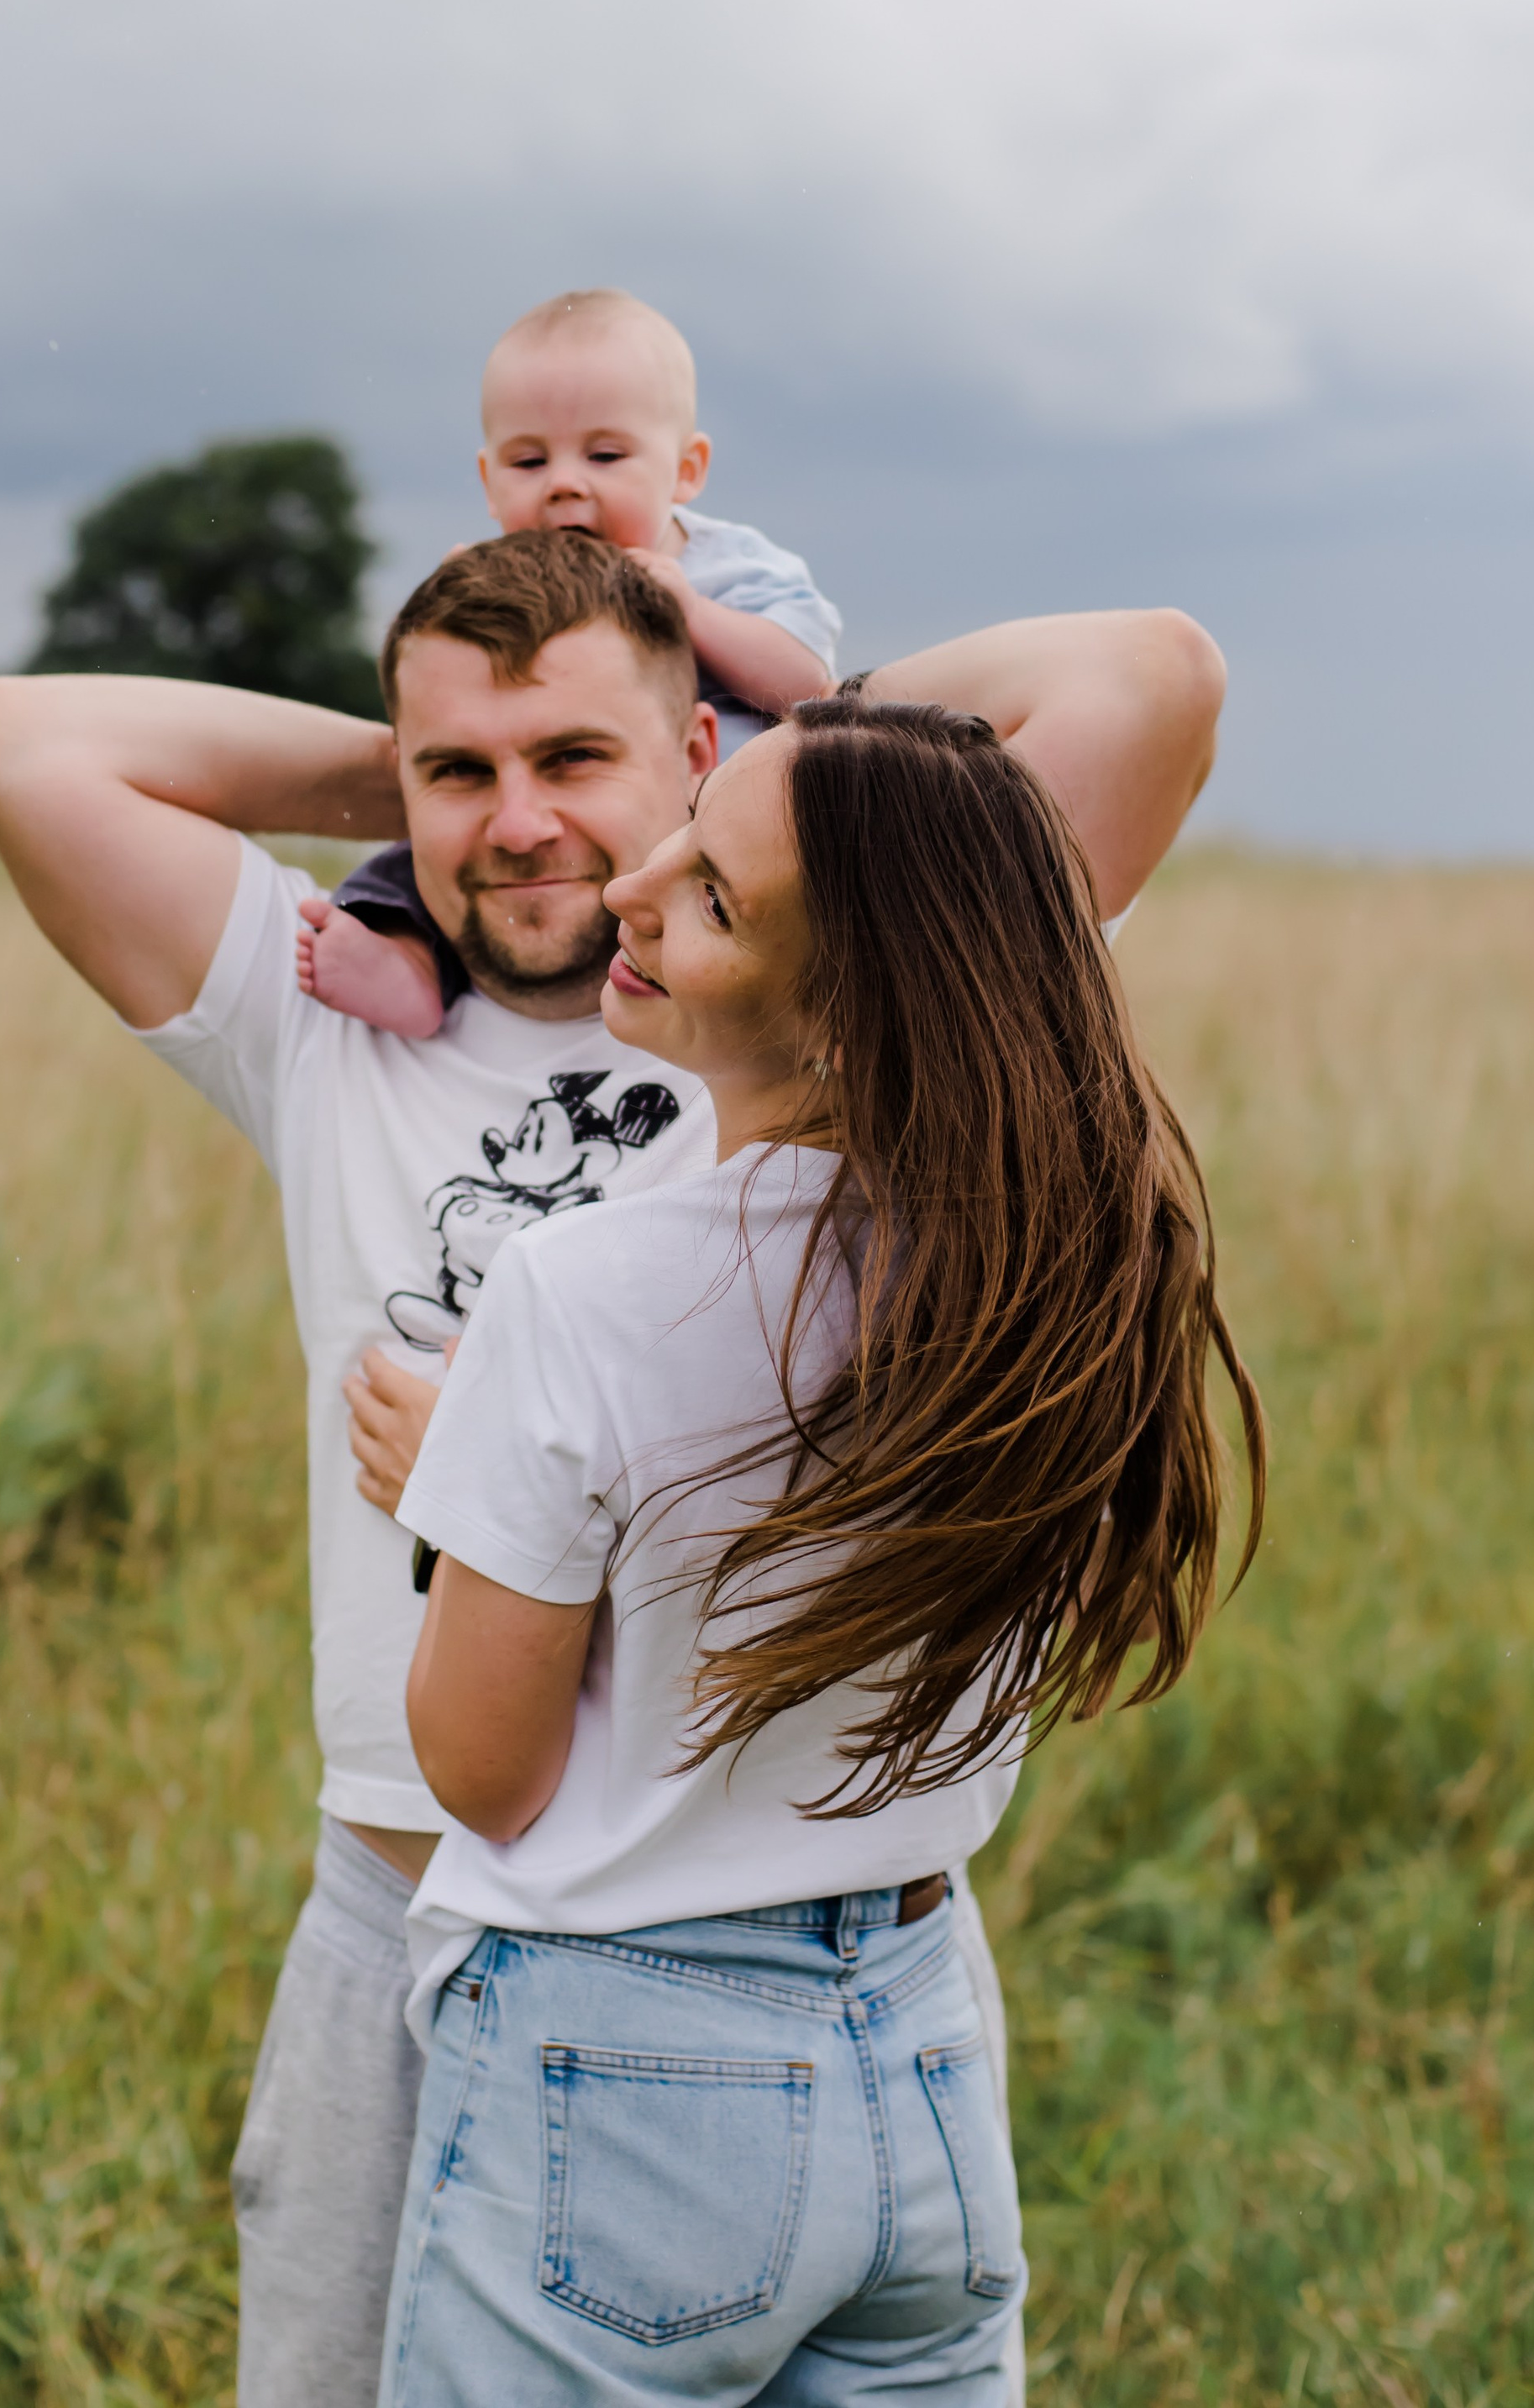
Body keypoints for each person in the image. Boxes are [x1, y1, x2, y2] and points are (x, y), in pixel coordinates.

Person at [0, 528, 1227, 2408]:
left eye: (579, 763)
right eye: (453, 771)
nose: (523, 825)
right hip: (419, 1889)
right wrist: (434, 775)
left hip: (690, 1914)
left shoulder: (875, 995)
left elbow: (1149, 677)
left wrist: (749, 726)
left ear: (702, 769)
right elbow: (23, 738)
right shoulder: (325, 1017)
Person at [384, 694, 1265, 2400]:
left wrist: (455, 1507)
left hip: (620, 2072)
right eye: (686, 823)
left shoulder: (584, 1287)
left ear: (851, 1020)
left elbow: (478, 1771)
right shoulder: (1062, 1267)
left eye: (710, 893)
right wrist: (850, 773)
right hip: (919, 2042)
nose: (632, 887)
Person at [299, 286, 841, 1038]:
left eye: (606, 454)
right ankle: (414, 961)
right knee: (427, 851)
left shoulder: (729, 565)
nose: (563, 481)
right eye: (529, 460)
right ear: (488, 484)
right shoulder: (508, 574)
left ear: (686, 470)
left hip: (722, 794)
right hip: (596, 817)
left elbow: (809, 683)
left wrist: (696, 614)